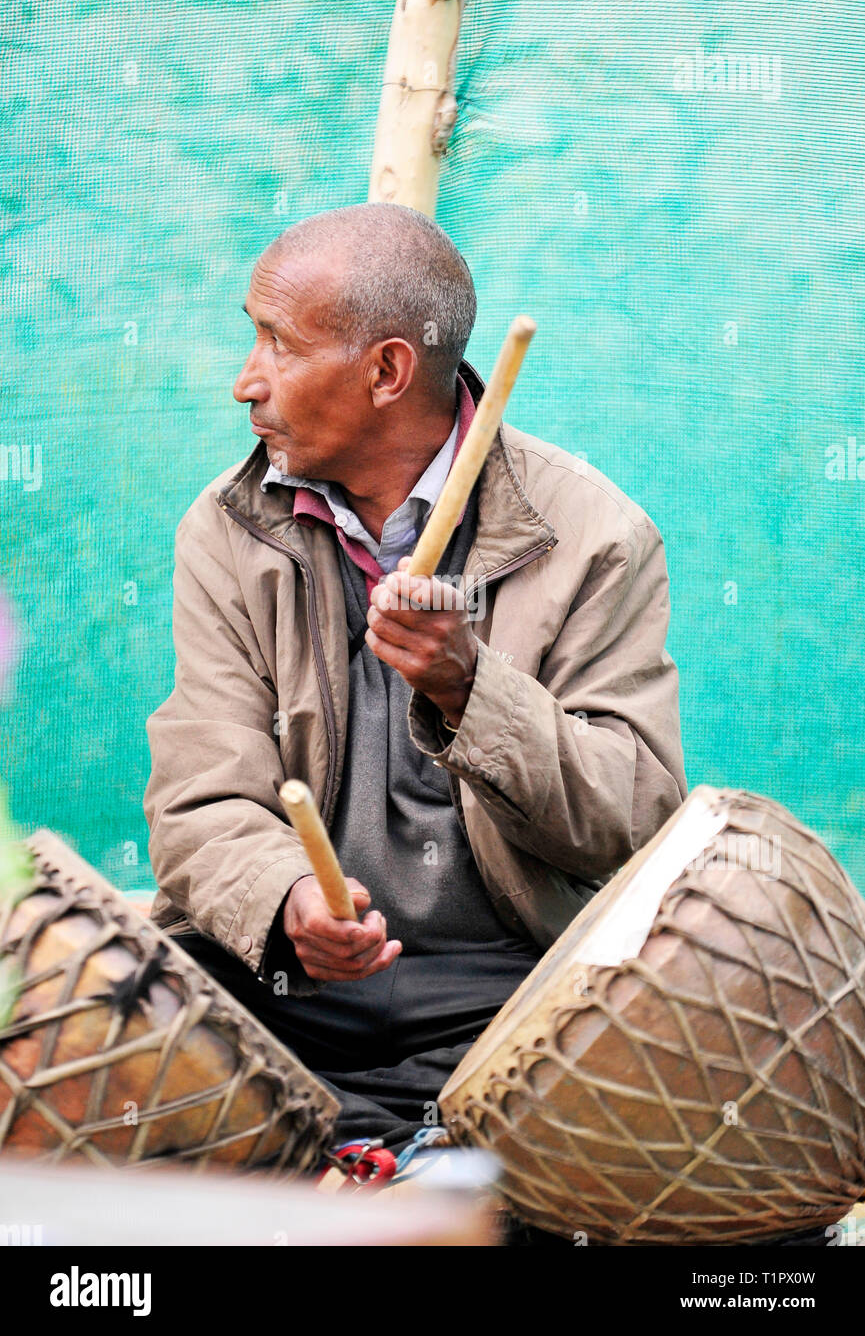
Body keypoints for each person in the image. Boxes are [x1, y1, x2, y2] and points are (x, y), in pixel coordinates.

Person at [143, 202, 687, 1162]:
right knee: (76, 1042)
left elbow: (634, 817)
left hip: (511, 1000)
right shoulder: (227, 530)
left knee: (630, 1116)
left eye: (277, 343)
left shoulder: (597, 535)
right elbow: (199, 795)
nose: (245, 383)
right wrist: (284, 905)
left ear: (388, 370)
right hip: (285, 993)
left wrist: (472, 687)